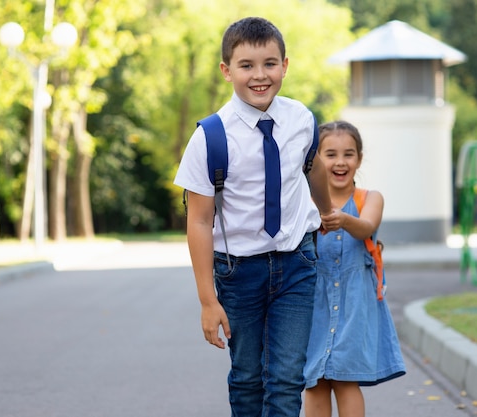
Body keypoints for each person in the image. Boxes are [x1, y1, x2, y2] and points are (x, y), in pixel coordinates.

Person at [174, 16, 331, 417]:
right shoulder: (210, 137)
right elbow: (197, 222)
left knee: (287, 378)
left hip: (297, 264)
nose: (260, 75)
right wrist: (208, 301)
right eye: (247, 66)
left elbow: (311, 171)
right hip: (238, 271)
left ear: (285, 65)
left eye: (270, 63)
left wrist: (327, 213)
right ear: (227, 71)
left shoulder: (302, 120)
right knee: (247, 377)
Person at [303, 121, 406, 417]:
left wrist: (343, 220)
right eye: (330, 154)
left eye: (348, 154)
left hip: (355, 305)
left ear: (359, 159)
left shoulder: (369, 199)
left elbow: (366, 227)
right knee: (315, 381)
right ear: (316, 160)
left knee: (346, 380)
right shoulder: (304, 201)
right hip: (313, 303)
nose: (340, 162)